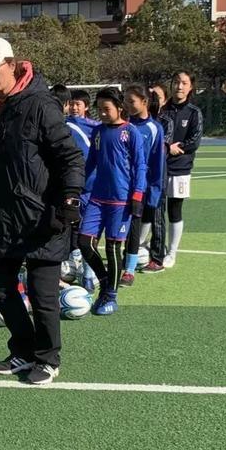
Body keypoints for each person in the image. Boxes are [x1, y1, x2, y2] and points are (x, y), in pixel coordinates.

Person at [0, 37, 85, 386]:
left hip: (42, 214)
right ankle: (23, 348)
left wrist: (70, 199)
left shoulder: (41, 104)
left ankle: (48, 359)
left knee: (42, 294)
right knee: (2, 288)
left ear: (11, 64)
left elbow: (70, 156)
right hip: (5, 216)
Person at [78, 88, 147, 315]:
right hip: (97, 198)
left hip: (121, 200)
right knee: (84, 243)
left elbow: (140, 166)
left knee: (113, 248)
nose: (103, 114)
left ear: (120, 108)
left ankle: (111, 296)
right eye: (99, 110)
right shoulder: (98, 132)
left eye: (106, 109)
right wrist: (77, 185)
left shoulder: (131, 132)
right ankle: (107, 281)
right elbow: (91, 164)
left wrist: (137, 195)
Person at [51, 84, 98, 292]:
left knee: (85, 231)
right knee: (66, 229)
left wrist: (77, 184)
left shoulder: (73, 127)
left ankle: (88, 273)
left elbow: (86, 158)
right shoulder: (56, 126)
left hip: (84, 188)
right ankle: (70, 267)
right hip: (66, 189)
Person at [120, 85, 165, 286]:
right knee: (116, 226)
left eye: (132, 102)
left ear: (144, 102)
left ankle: (128, 269)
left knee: (134, 229)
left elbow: (157, 164)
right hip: (119, 186)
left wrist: (154, 193)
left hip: (141, 188)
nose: (127, 106)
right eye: (125, 102)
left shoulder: (155, 129)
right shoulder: (122, 125)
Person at [162, 71, 203, 268]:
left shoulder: (194, 112)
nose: (179, 86)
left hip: (180, 169)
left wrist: (177, 149)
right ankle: (148, 247)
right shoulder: (162, 109)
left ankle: (171, 253)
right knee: (152, 209)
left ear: (190, 87)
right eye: (176, 82)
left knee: (174, 210)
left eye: (184, 83)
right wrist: (165, 147)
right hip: (159, 167)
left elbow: (195, 140)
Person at [141, 84, 174, 272]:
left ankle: (157, 257)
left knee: (156, 215)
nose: (153, 99)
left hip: (156, 176)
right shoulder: (135, 122)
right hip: (138, 178)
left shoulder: (164, 123)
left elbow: (164, 147)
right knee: (137, 215)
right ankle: (132, 252)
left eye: (157, 96)